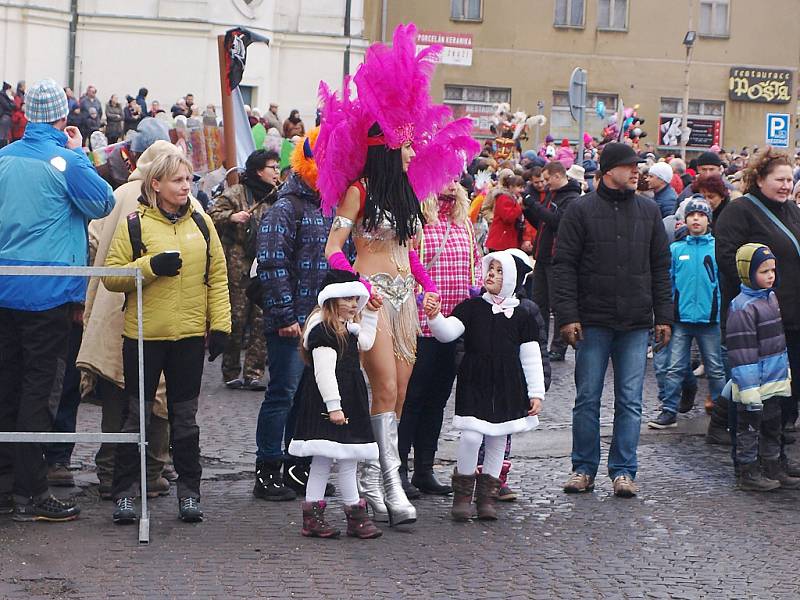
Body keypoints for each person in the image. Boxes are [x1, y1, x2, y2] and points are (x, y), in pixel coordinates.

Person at [316, 23, 479, 525]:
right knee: (383, 386)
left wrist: (429, 293)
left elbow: (413, 256)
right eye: (405, 145)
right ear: (386, 148)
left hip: (407, 298)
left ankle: (379, 482)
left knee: (401, 394)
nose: (414, 152)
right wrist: (362, 288)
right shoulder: (358, 193)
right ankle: (383, 483)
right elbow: (332, 250)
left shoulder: (408, 196)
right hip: (373, 300)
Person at [0, 79, 115, 521]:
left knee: (7, 384)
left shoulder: (5, 158)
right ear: (63, 118)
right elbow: (102, 202)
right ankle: (31, 491)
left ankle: (6, 483)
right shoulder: (66, 161)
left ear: (27, 115)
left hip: (7, 287)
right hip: (47, 293)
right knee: (39, 391)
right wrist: (80, 152)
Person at [102, 152, 231, 524]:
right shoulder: (134, 224)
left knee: (185, 420)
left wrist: (220, 324)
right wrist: (150, 268)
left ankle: (189, 492)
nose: (186, 186)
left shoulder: (202, 223)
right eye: (177, 180)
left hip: (189, 336)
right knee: (135, 417)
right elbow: (111, 276)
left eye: (188, 179)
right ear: (156, 184)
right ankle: (125, 493)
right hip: (143, 336)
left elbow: (217, 276)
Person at [554, 142, 672, 498]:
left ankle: (623, 470)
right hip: (592, 321)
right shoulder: (580, 210)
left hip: (635, 322)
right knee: (587, 398)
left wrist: (663, 316)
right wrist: (568, 315)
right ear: (608, 170)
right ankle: (583, 468)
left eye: (638, 165)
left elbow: (660, 269)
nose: (637, 171)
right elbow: (564, 267)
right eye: (629, 165)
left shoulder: (649, 212)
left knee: (631, 400)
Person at [77, 140, 187, 500]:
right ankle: (151, 471)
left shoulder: (119, 193)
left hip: (113, 303)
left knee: (117, 392)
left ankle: (109, 472)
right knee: (156, 395)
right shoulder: (173, 199)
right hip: (156, 308)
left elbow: (95, 237)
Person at [424, 251, 544, 521]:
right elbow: (447, 333)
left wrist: (536, 392)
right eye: (491, 269)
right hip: (475, 380)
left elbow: (531, 356)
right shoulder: (471, 307)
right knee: (471, 436)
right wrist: (435, 317)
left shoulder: (523, 315)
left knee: (498, 439)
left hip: (507, 383)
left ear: (512, 279)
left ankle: (487, 496)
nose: (492, 274)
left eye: (500, 271)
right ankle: (463, 492)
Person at [254, 129, 329, 502]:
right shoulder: (285, 208)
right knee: (282, 393)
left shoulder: (323, 206)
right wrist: (285, 316)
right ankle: (268, 470)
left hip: (317, 320)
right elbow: (272, 263)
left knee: (306, 396)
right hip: (291, 321)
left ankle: (297, 467)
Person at [712, 148, 800, 459]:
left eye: (790, 179)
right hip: (757, 321)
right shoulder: (739, 212)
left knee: (787, 391)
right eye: (780, 179)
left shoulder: (792, 212)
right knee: (755, 395)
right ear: (760, 179)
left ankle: (777, 458)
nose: (786, 185)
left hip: (792, 318)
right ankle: (750, 461)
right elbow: (727, 260)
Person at [398, 180, 483, 498]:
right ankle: (398, 471)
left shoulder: (465, 222)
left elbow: (475, 261)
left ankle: (424, 469)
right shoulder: (417, 217)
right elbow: (405, 262)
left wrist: (475, 291)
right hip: (421, 324)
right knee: (412, 399)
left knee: (437, 400)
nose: (451, 184)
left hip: (454, 326)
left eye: (455, 177)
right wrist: (419, 296)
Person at [288, 270, 383, 539]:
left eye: (356, 299)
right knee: (323, 460)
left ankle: (353, 514)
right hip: (330, 400)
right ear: (331, 300)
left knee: (348, 458)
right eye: (348, 299)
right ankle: (320, 517)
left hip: (349, 397)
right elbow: (324, 373)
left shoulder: (347, 328)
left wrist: (372, 314)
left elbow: (366, 341)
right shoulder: (324, 332)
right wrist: (333, 406)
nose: (354, 304)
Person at [647, 198, 725, 428]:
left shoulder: (717, 248)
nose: (696, 219)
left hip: (710, 319)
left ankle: (721, 413)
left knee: (715, 368)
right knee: (674, 367)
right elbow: (667, 283)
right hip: (681, 318)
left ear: (708, 220)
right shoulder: (676, 249)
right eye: (692, 215)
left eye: (701, 215)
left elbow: (722, 283)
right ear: (685, 219)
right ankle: (669, 409)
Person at [727, 244, 799, 490]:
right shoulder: (742, 307)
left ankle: (771, 466)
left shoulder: (770, 298)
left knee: (772, 424)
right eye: (764, 271)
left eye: (773, 270)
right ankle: (747, 471)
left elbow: (777, 343)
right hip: (754, 382)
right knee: (749, 427)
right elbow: (743, 351)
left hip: (773, 378)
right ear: (748, 273)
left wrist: (784, 372)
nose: (771, 276)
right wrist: (748, 388)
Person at [208, 149, 280, 390]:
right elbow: (211, 214)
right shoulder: (236, 193)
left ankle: (254, 373)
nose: (277, 172)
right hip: (238, 264)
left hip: (265, 264)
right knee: (237, 319)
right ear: (259, 170)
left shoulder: (278, 196)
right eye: (273, 167)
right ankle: (230, 370)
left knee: (261, 320)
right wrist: (232, 217)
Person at [523, 160, 581, 362]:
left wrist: (533, 205)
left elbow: (557, 222)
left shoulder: (572, 198)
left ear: (558, 176)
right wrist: (528, 210)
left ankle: (558, 346)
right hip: (543, 256)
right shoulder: (553, 194)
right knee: (539, 304)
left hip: (557, 258)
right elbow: (542, 222)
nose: (545, 184)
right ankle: (540, 343)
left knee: (557, 305)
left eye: (548, 179)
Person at [485, 174, 525, 252]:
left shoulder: (511, 198)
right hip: (501, 240)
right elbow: (508, 218)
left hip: (505, 239)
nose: (522, 190)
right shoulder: (504, 198)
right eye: (519, 187)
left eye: (523, 187)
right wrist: (518, 206)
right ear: (511, 187)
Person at [0, 82, 14, 148]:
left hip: (5, 116)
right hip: (4, 116)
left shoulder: (4, 96)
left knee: (5, 135)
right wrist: (11, 100)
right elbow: (8, 106)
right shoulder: (2, 96)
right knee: (3, 135)